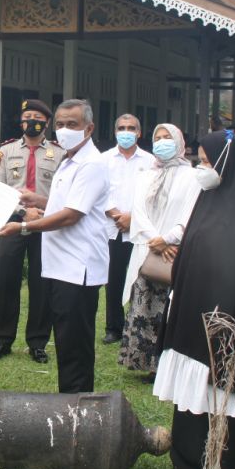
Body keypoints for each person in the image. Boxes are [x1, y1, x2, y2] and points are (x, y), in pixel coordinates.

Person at [153, 129, 235, 469]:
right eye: (200, 161)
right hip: (193, 317)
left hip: (223, 322)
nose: (200, 169)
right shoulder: (207, 201)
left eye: (207, 163)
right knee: (194, 399)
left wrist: (225, 323)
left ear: (225, 164)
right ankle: (190, 462)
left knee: (221, 397)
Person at [0, 99, 109, 394]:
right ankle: (71, 403)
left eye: (72, 124)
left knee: (75, 344)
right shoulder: (69, 159)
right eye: (60, 124)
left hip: (78, 267)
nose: (64, 130)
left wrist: (23, 226)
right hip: (62, 267)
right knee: (65, 339)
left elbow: (72, 215)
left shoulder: (91, 163)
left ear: (89, 128)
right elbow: (65, 204)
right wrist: (39, 201)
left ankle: (77, 407)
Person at [0, 99, 64, 364]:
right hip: (12, 223)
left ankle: (38, 342)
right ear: (21, 121)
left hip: (46, 225)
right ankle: (1, 340)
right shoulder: (6, 151)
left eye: (37, 117)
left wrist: (39, 212)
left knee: (42, 284)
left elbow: (64, 193)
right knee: (6, 281)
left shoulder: (59, 153)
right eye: (27, 116)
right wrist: (22, 212)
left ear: (47, 123)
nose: (32, 121)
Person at [117, 124, 200, 380]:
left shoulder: (192, 177)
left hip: (174, 251)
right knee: (145, 304)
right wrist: (155, 238)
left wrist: (168, 238)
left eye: (168, 138)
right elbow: (138, 211)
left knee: (171, 308)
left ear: (180, 142)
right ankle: (146, 363)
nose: (162, 142)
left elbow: (191, 213)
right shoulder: (145, 175)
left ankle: (169, 366)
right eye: (158, 138)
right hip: (147, 249)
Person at [102, 114, 156, 345]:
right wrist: (117, 215)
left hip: (140, 229)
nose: (126, 131)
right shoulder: (103, 160)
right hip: (111, 228)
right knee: (113, 279)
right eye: (122, 128)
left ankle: (134, 325)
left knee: (138, 279)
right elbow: (99, 193)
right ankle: (113, 327)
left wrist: (132, 218)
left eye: (131, 128)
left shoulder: (151, 161)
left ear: (139, 132)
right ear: (115, 132)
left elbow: (154, 195)